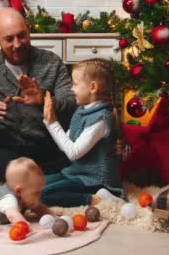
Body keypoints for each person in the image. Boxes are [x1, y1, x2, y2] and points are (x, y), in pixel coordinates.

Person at [0, 7, 77, 182]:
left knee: (72, 168)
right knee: (13, 170)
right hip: (5, 150)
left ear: (29, 29)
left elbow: (72, 103)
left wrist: (44, 101)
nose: (17, 44)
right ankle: (38, 183)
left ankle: (38, 184)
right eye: (9, 39)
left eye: (21, 35)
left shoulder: (51, 62)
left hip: (47, 147)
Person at [40, 58, 124, 207]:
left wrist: (53, 123)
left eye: (75, 84)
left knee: (42, 195)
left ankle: (96, 199)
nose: (71, 88)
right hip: (76, 172)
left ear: (92, 87)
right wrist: (49, 120)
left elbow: (73, 153)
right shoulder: (81, 111)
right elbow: (65, 146)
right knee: (35, 186)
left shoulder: (100, 119)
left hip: (95, 180)